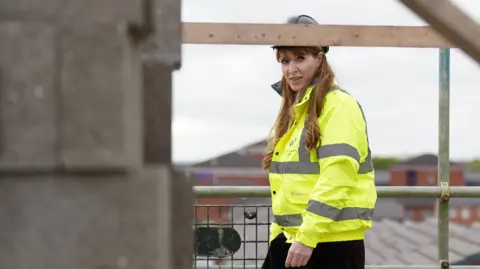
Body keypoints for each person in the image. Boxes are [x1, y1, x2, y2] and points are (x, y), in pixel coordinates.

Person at [261, 14, 377, 269]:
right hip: (294, 241)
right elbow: (287, 186)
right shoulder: (295, 112)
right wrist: (277, 237)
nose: (291, 69)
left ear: (320, 58)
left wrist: (307, 238)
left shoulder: (339, 106)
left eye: (300, 58)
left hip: (328, 245)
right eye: (284, 61)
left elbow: (338, 176)